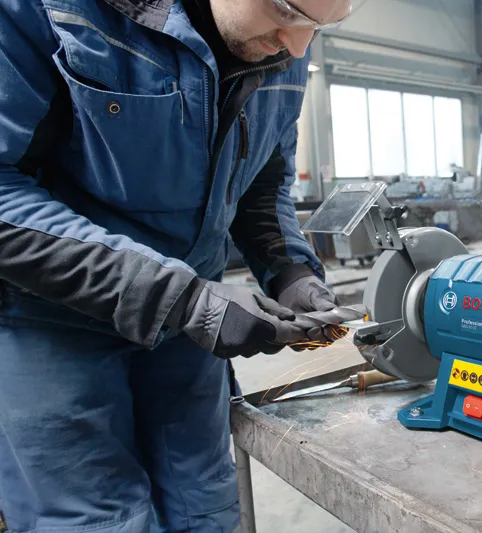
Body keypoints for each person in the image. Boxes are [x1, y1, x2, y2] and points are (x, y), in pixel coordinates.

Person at [0, 0, 355, 531]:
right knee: (94, 519)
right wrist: (180, 298)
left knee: (203, 502)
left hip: (189, 333)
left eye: (321, 25)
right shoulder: (44, 11)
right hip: (52, 322)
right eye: (286, 9)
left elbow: (261, 181)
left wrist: (290, 273)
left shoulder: (284, 41)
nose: (300, 45)